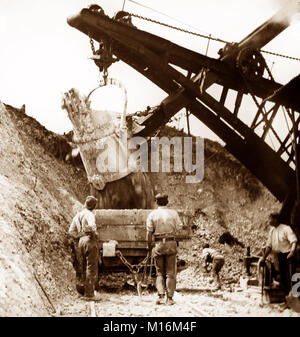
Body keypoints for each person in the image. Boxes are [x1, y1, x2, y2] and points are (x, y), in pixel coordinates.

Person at [146, 193, 183, 305]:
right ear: (167, 202)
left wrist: (149, 246)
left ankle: (161, 296)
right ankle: (170, 299)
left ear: (156, 202)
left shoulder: (152, 214)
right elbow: (179, 228)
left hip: (158, 245)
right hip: (171, 243)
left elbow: (149, 232)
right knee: (171, 273)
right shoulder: (174, 213)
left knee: (159, 272)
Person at [68, 196, 101, 301]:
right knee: (91, 267)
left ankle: (83, 290)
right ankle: (89, 294)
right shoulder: (90, 215)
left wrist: (80, 236)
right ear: (94, 206)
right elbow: (91, 227)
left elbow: (71, 231)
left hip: (81, 242)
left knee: (83, 266)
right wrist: (92, 234)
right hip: (89, 241)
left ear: (85, 204)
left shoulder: (78, 215)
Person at [259, 213, 298, 295]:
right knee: (282, 277)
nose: (268, 221)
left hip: (288, 255)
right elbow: (269, 245)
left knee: (292, 277)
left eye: (270, 219)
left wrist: (292, 252)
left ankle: (295, 296)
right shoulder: (272, 230)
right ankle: (285, 297)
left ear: (276, 219)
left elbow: (294, 241)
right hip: (279, 256)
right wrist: (264, 257)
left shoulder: (286, 228)